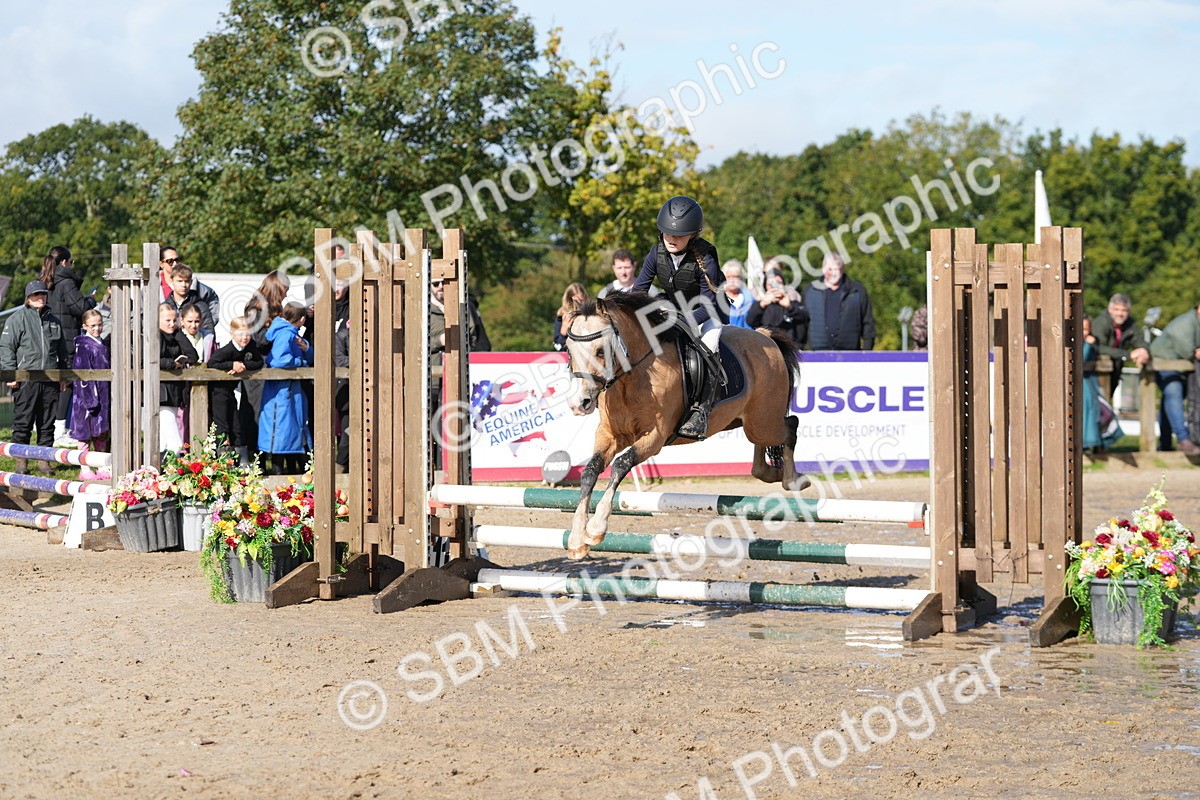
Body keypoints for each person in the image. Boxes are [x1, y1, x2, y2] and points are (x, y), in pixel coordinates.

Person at [632, 195, 724, 440]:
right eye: (667, 233)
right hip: (675, 305)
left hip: (708, 310)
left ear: (693, 234)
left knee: (710, 344)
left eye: (680, 235)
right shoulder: (656, 253)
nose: (672, 238)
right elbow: (639, 291)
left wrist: (681, 323)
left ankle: (702, 409)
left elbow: (708, 304)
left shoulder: (706, 257)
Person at [0, 281, 70, 474]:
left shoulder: (54, 320)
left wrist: (63, 376)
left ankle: (43, 460)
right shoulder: (16, 319)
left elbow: (63, 351)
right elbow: (6, 348)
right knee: (23, 421)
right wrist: (11, 373)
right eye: (36, 294)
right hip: (25, 379)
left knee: (47, 423)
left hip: (50, 379)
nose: (41, 297)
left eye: (43, 294)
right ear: (28, 297)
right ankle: (21, 461)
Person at [39, 246, 96, 447]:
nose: (72, 266)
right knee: (66, 383)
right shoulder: (66, 283)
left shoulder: (43, 281)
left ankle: (48, 428)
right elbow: (80, 307)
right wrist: (91, 298)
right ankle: (59, 429)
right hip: (66, 338)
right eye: (71, 262)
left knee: (51, 384)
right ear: (64, 262)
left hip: (47, 341)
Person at [259, 302, 314, 474]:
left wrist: (306, 348)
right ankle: (281, 477)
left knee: (291, 435)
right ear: (302, 319)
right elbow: (278, 360)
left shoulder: (290, 333)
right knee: (283, 435)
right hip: (283, 392)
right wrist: (301, 363)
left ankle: (292, 477)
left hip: (289, 391)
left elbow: (309, 355)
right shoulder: (285, 334)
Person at [207, 316, 264, 463]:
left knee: (237, 426)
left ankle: (242, 462)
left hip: (231, 392)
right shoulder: (227, 350)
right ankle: (223, 462)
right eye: (240, 334)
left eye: (247, 334)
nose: (244, 338)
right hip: (219, 393)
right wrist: (231, 365)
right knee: (222, 426)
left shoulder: (251, 347)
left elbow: (258, 362)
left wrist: (243, 365)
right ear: (232, 334)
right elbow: (212, 363)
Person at [1148, 302, 1200, 455]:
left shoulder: (1194, 321)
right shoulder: (1185, 323)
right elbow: (1190, 351)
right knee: (1174, 392)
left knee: (1168, 401)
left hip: (1179, 367)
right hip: (1162, 363)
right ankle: (1183, 439)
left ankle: (1165, 443)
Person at [69, 309, 111, 479]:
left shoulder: (102, 344)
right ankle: (85, 468)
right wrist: (89, 399)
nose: (97, 328)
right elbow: (83, 374)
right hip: (87, 398)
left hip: (103, 395)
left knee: (101, 433)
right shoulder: (84, 346)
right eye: (93, 325)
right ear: (85, 326)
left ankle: (101, 466)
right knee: (84, 433)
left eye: (100, 324)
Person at [802, 252, 875, 350]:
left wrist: (867, 352)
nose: (833, 273)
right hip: (818, 354)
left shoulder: (857, 290)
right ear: (823, 269)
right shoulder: (810, 290)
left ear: (842, 269)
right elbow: (802, 323)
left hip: (850, 354)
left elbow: (868, 324)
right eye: (829, 269)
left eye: (836, 269)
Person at [1089, 293, 1150, 392]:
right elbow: (1099, 347)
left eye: (1124, 310)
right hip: (1096, 370)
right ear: (1109, 309)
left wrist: (1144, 351)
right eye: (1116, 309)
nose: (1120, 314)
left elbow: (1139, 341)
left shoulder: (1130, 324)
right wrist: (1128, 355)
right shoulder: (1101, 322)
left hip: (1115, 368)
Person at [1080, 316, 1123, 452]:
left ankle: (1094, 442)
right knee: (1085, 410)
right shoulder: (1078, 343)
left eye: (1086, 329)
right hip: (1082, 382)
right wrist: (1087, 344)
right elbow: (1080, 358)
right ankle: (1084, 443)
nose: (1084, 332)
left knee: (1096, 410)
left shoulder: (1093, 342)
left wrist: (1089, 344)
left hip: (1090, 383)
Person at [157, 304, 194, 454]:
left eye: (174, 320)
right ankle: (176, 470)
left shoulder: (175, 334)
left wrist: (178, 333)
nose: (172, 324)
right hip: (160, 394)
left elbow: (192, 355)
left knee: (163, 442)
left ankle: (161, 471)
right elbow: (150, 359)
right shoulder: (153, 336)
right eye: (168, 320)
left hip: (174, 391)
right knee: (175, 442)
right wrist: (172, 364)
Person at [158, 246, 220, 327]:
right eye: (170, 261)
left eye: (177, 260)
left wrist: (202, 326)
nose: (175, 264)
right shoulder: (152, 286)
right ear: (161, 264)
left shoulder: (196, 285)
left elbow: (212, 300)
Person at [747, 264, 807, 345]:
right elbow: (750, 321)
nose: (775, 287)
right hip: (767, 347)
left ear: (783, 285)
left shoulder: (792, 301)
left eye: (778, 283)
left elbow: (805, 317)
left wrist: (790, 307)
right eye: (771, 284)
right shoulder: (761, 304)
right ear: (766, 287)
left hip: (789, 348)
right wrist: (762, 305)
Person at [164, 264, 218, 331]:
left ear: (191, 282)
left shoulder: (201, 306)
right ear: (171, 281)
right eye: (179, 281)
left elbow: (209, 334)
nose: (183, 285)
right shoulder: (165, 307)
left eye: (186, 281)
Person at [719, 260, 755, 330]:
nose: (732, 280)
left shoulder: (751, 300)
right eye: (728, 277)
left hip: (748, 337)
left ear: (741, 278)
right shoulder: (719, 300)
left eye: (735, 276)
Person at [553, 283, 589, 351]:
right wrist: (563, 333)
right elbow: (559, 348)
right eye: (575, 301)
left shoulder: (590, 316)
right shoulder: (561, 318)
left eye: (581, 301)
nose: (579, 304)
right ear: (568, 301)